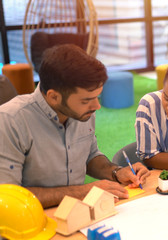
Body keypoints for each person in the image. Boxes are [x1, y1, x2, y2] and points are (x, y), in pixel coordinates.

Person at [0, 44, 150, 208]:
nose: (96, 107)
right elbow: (8, 196)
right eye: (86, 100)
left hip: (77, 213)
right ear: (53, 97)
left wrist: (116, 172)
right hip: (31, 220)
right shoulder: (10, 121)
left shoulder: (82, 112)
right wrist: (81, 191)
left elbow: (90, 157)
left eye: (97, 97)